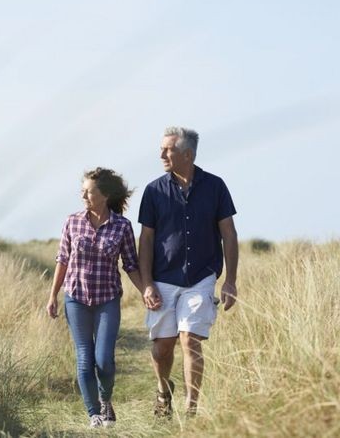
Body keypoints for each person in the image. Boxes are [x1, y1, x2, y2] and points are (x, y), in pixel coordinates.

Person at [138, 127, 238, 418]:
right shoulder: (154, 190)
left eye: (167, 150)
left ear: (187, 154)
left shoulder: (215, 186)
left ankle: (191, 409)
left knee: (189, 339)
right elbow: (145, 240)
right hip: (162, 278)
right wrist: (146, 284)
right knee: (162, 348)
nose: (161, 155)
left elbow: (229, 235)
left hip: (202, 276)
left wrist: (230, 281)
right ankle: (162, 390)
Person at [47, 167, 144, 428]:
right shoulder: (72, 221)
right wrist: (53, 295)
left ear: (105, 194)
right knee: (84, 358)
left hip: (107, 299)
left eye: (89, 191)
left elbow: (131, 265)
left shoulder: (122, 226)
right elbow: (62, 260)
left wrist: (146, 290)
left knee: (104, 361)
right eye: (83, 191)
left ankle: (105, 399)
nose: (84, 196)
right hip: (76, 298)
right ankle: (94, 414)